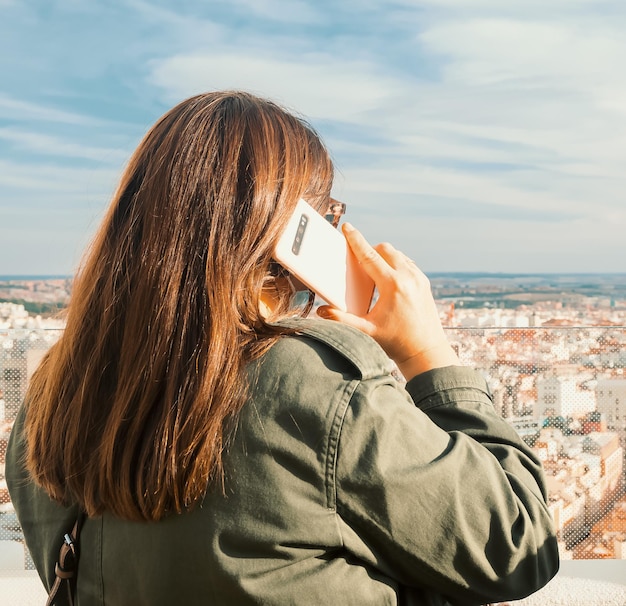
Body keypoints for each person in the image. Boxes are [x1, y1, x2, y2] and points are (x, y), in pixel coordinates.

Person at [6, 91, 559, 605]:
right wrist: (427, 352)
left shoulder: (52, 395)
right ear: (293, 232)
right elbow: (515, 544)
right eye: (329, 216)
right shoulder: (311, 380)